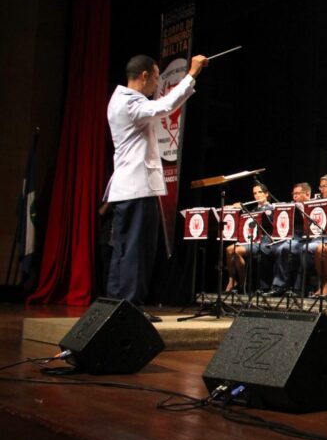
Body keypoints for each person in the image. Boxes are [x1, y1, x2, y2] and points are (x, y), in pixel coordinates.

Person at [105, 53, 207, 319]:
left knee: (124, 249)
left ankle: (116, 305)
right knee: (137, 251)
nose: (157, 84)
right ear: (144, 76)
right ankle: (131, 309)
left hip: (127, 188)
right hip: (137, 188)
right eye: (156, 77)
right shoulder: (129, 103)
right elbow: (164, 107)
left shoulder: (118, 99)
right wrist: (192, 73)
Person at [261, 182, 311, 297]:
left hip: (304, 237)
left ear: (307, 194)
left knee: (283, 248)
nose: (295, 196)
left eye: (298, 193)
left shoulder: (313, 205)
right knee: (266, 248)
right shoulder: (291, 205)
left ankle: (280, 286)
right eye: (294, 193)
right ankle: (266, 286)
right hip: (289, 236)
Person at [224, 182, 273, 293]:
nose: (257, 195)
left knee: (234, 250)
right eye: (255, 193)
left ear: (266, 194)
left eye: (260, 192)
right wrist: (233, 209)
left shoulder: (271, 208)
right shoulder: (254, 209)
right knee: (230, 250)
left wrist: (243, 208)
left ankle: (241, 284)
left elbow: (266, 222)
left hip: (265, 242)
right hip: (252, 240)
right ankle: (233, 280)